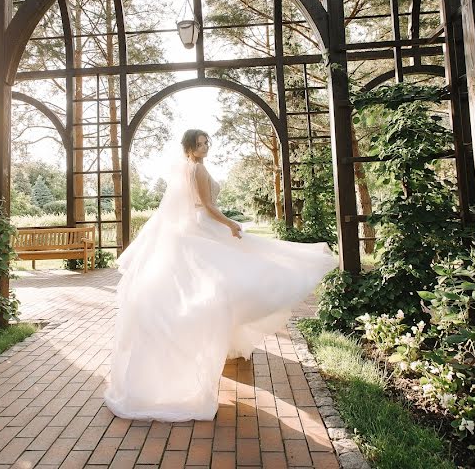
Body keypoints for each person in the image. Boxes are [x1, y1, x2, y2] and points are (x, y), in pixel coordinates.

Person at [103, 129, 337, 422]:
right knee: (233, 275)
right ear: (190, 147)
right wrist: (231, 224)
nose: (205, 147)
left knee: (212, 282)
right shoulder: (197, 169)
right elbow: (209, 207)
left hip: (192, 229)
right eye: (200, 144)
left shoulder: (186, 168)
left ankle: (216, 336)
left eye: (206, 143)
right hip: (203, 227)